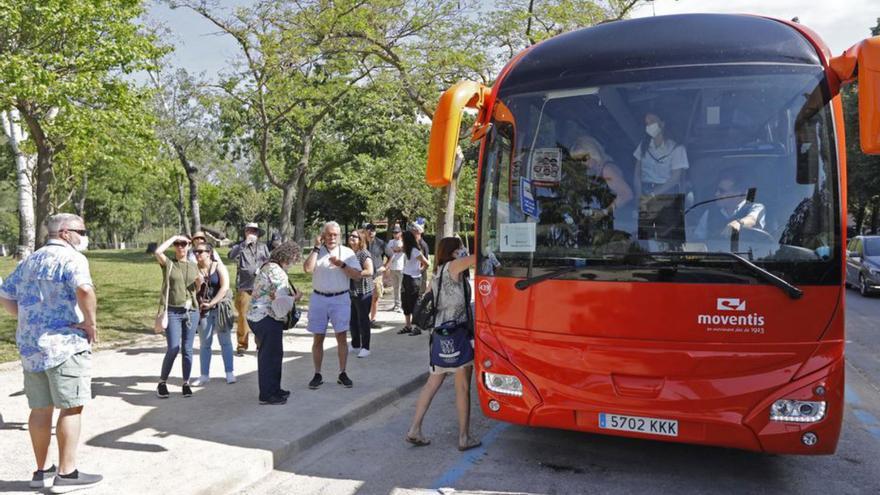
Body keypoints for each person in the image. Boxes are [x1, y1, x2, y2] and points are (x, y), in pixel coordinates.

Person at [0, 213, 103, 491]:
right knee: (71, 407)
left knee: (40, 409)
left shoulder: (30, 260)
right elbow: (84, 289)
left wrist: (27, 319)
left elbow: (5, 294)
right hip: (64, 344)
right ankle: (67, 475)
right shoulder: (73, 258)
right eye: (81, 230)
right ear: (66, 233)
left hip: (32, 347)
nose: (84, 235)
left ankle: (42, 471)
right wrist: (90, 323)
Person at [405, 236, 481, 451]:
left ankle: (415, 428)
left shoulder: (437, 272)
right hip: (458, 334)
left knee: (432, 383)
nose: (463, 251)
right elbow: (479, 257)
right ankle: (464, 438)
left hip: (440, 335)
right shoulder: (453, 266)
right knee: (463, 387)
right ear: (453, 251)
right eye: (460, 248)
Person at [303, 221, 363, 389]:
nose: (332, 237)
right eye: (328, 234)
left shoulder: (347, 252)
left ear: (340, 236)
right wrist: (315, 248)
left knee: (341, 337)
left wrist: (342, 265)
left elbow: (357, 276)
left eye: (335, 235)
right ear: (323, 235)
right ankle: (317, 374)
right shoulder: (318, 251)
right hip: (319, 298)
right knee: (318, 337)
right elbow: (307, 269)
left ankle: (342, 373)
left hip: (340, 298)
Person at [247, 241, 302, 405]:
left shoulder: (268, 266)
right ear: (288, 256)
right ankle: (267, 394)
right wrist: (296, 297)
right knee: (269, 357)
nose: (293, 262)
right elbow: (280, 298)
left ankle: (275, 388)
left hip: (260, 316)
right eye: (294, 258)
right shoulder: (276, 271)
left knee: (274, 355)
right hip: (267, 317)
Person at [154, 234, 202, 399]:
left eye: (184, 244)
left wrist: (199, 282)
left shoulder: (194, 265)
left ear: (189, 246)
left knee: (188, 349)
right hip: (173, 311)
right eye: (177, 244)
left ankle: (186, 383)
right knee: (173, 348)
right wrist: (173, 237)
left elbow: (198, 287)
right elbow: (158, 251)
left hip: (191, 311)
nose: (180, 247)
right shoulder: (169, 264)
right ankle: (162, 382)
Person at [633, 111, 690, 243]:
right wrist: (639, 195)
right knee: (644, 239)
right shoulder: (643, 146)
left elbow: (675, 178)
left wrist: (653, 195)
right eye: (646, 123)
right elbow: (637, 173)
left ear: (662, 124)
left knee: (669, 238)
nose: (649, 126)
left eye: (652, 121)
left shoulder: (677, 148)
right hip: (645, 192)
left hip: (667, 195)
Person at [191, 242, 236, 386]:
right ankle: (204, 375)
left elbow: (224, 287)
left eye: (200, 251)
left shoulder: (219, 267)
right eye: (195, 252)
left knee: (225, 341)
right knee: (205, 343)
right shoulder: (193, 269)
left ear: (209, 253)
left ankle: (229, 372)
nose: (197, 254)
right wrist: (198, 283)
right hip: (203, 309)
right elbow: (193, 292)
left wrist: (212, 303)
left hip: (220, 307)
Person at [228, 222, 270, 356]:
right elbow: (230, 256)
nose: (252, 234)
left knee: (261, 316)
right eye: (249, 231)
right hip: (244, 286)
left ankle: (260, 343)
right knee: (243, 316)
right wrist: (244, 244)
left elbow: (269, 263)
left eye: (255, 231)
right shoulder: (240, 246)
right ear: (245, 232)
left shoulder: (263, 247)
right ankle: (242, 344)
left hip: (261, 287)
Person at [694, 170, 766, 242]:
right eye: (717, 190)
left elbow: (752, 219)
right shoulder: (709, 213)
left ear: (739, 193)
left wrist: (738, 223)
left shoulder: (756, 208)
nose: (716, 194)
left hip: (752, 252)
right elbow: (698, 240)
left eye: (722, 191)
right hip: (715, 252)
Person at [347, 229, 374, 358]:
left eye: (355, 236)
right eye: (350, 236)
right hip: (352, 292)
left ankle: (366, 347)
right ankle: (355, 343)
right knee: (352, 320)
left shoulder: (364, 253)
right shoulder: (349, 253)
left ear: (360, 240)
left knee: (363, 320)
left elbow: (370, 270)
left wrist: (355, 274)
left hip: (364, 292)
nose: (351, 238)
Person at [398, 229, 430, 335]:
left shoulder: (415, 251)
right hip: (406, 277)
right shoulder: (406, 249)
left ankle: (418, 327)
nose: (401, 240)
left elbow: (426, 263)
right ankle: (408, 326)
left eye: (403, 239)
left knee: (414, 303)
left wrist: (419, 270)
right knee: (405, 302)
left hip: (414, 279)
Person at [364, 223, 387, 327]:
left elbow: (391, 255)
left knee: (375, 298)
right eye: (369, 229)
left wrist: (385, 266)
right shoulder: (361, 242)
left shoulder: (381, 243)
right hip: (364, 275)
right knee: (364, 298)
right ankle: (363, 319)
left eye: (373, 230)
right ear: (365, 231)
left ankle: (372, 320)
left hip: (377, 275)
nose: (371, 231)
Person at [384, 224, 405, 312]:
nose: (395, 234)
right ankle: (396, 304)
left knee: (401, 287)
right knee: (395, 287)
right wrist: (396, 249)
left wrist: (396, 249)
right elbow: (389, 251)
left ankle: (401, 305)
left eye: (397, 232)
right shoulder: (390, 242)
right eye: (394, 232)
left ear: (400, 233)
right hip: (393, 267)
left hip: (401, 268)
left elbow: (401, 249)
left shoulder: (404, 242)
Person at [409, 221, 431, 295]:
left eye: (413, 231)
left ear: (418, 232)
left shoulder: (422, 245)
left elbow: (426, 261)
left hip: (420, 273)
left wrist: (421, 270)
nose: (411, 232)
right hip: (413, 273)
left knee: (420, 294)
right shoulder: (414, 243)